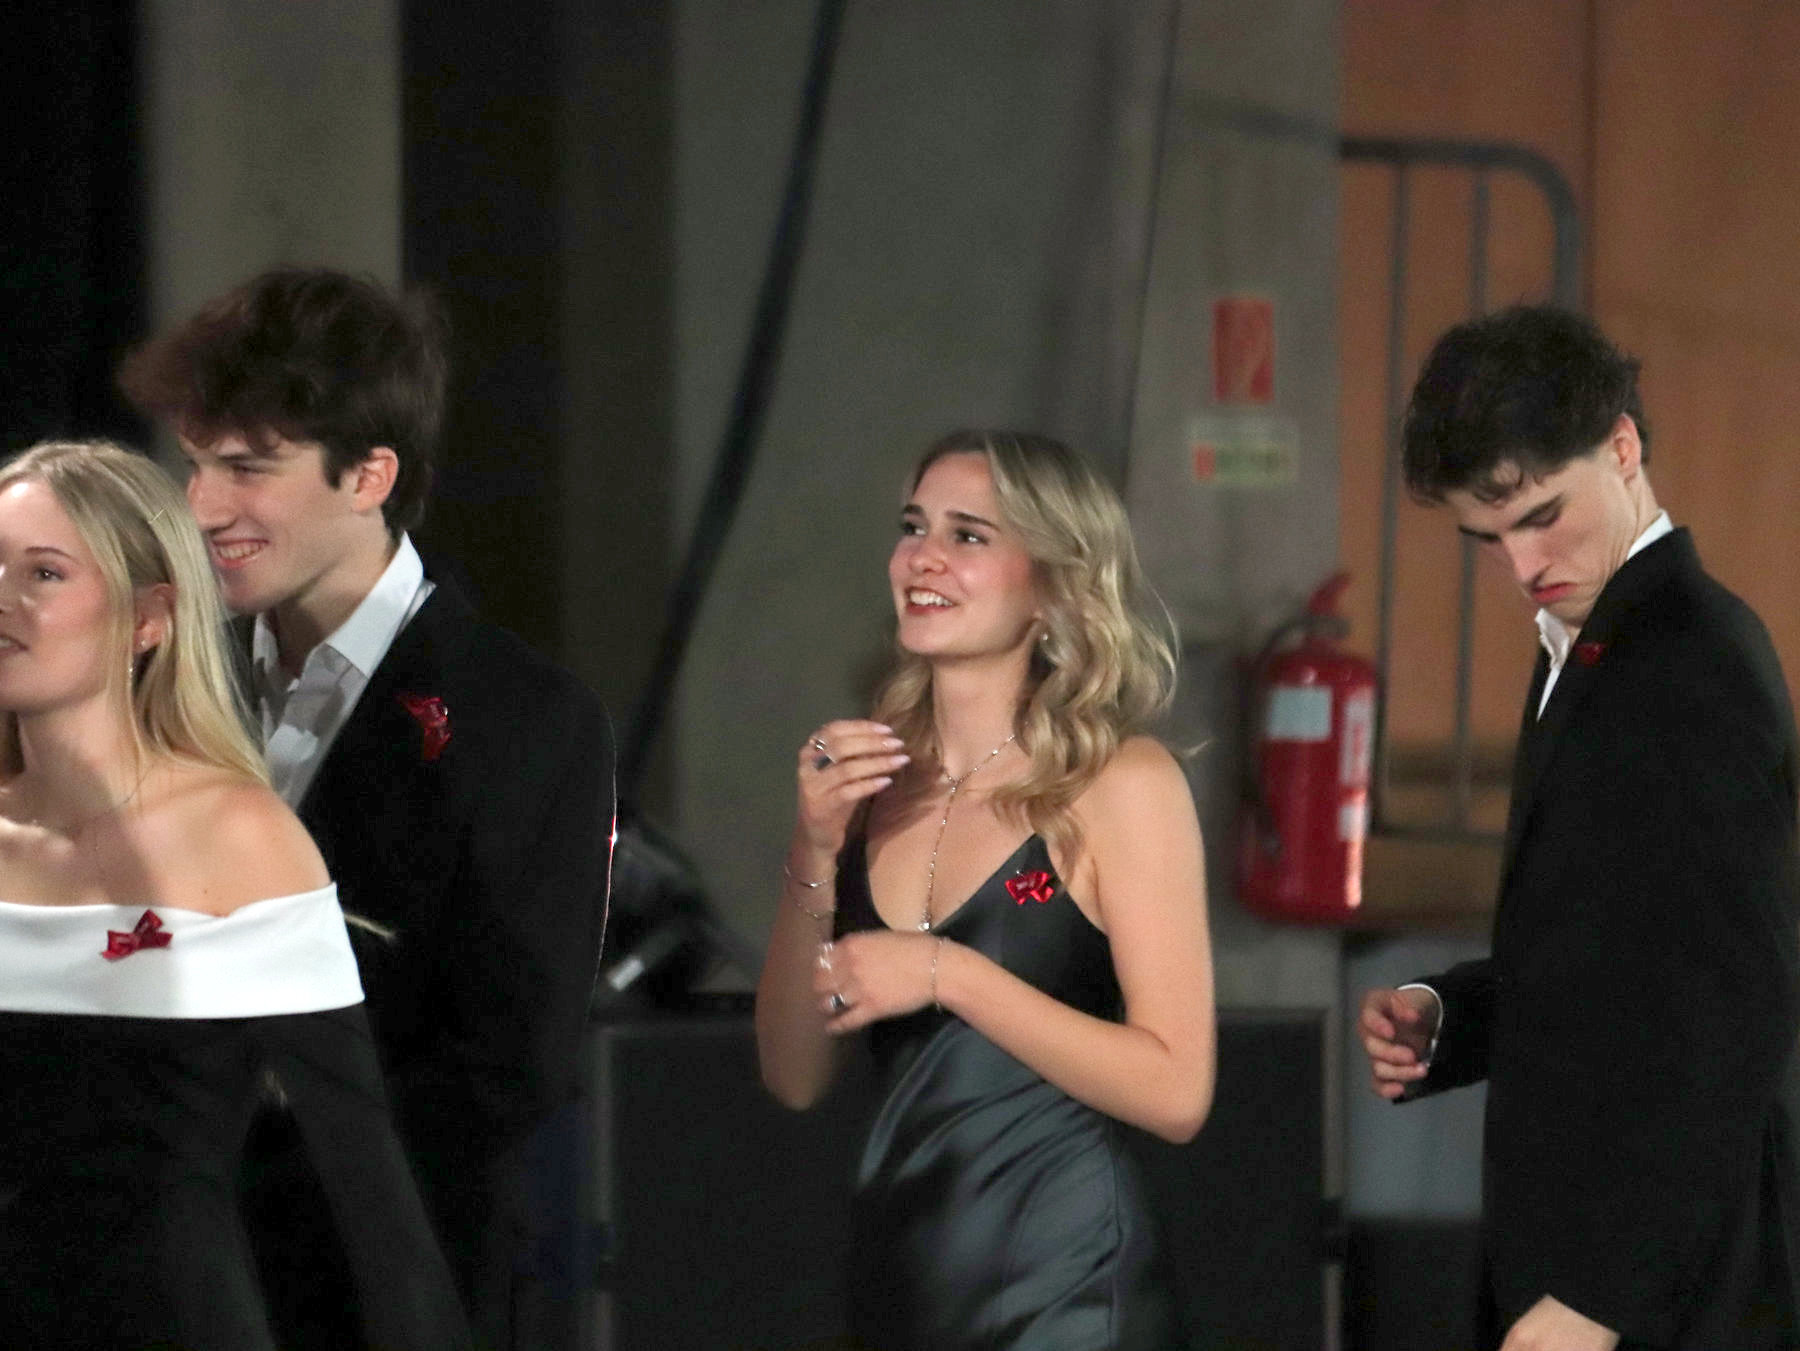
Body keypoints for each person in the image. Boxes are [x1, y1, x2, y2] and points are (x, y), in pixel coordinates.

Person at [118, 268, 615, 1348]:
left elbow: (507, 1067)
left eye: (248, 467)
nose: (202, 507)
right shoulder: (157, 680)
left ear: (370, 475)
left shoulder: (524, 718)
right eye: (197, 464)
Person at [1358, 306, 1800, 1350]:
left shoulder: (1692, 659)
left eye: (1542, 515)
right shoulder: (1592, 636)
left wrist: (1601, 1296)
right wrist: (1451, 1015)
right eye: (1490, 537)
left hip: (1659, 1286)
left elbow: (1730, 1013)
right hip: (1584, 1248)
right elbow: (1617, 954)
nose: (1523, 564)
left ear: (1624, 446)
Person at [0, 439, 470, 1350]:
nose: (3, 597)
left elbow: (373, 1211)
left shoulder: (242, 838)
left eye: (44, 573)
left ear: (150, 617)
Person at [755, 429, 1215, 1350]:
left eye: (968, 534)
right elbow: (794, 1075)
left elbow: (1177, 1090)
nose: (923, 556)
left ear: (1053, 585)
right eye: (913, 526)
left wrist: (948, 973)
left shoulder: (1120, 782)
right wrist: (814, 843)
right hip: (905, 1291)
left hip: (1070, 1291)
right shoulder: (873, 782)